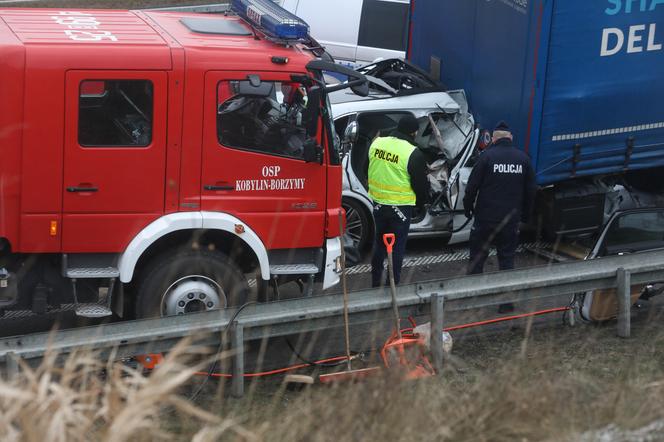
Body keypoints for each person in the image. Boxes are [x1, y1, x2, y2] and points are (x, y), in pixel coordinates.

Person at [463, 121, 537, 310]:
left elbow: (472, 186)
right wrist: (526, 216)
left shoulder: (486, 157)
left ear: (494, 139)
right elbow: (531, 191)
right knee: (506, 259)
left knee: (478, 258)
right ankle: (506, 304)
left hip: (485, 218)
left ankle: (473, 301)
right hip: (510, 220)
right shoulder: (524, 159)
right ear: (510, 138)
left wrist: (468, 207)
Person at [366, 114, 428, 287]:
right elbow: (420, 186)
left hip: (378, 204)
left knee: (379, 244)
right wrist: (421, 204)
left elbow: (366, 169)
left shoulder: (377, 143)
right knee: (396, 247)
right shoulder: (412, 153)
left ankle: (375, 283)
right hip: (401, 209)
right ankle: (392, 285)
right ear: (414, 133)